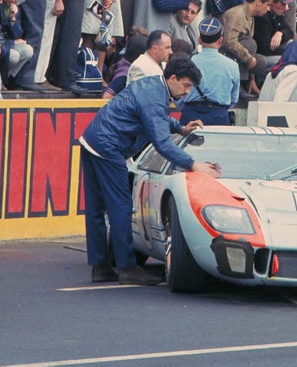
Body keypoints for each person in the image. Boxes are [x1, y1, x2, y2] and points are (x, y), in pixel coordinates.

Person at [80, 54, 219, 285]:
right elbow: (162, 142)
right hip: (108, 147)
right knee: (121, 207)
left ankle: (100, 267)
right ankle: (126, 268)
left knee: (96, 209)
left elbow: (156, 118)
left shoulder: (154, 85)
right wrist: (194, 165)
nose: (187, 92)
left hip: (91, 141)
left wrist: (180, 128)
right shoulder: (156, 96)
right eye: (185, 86)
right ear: (172, 78)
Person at [179, 17, 239, 125]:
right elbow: (234, 99)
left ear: (199, 40)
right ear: (220, 40)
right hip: (219, 116)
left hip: (190, 115)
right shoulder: (232, 65)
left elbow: (178, 94)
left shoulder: (187, 62)